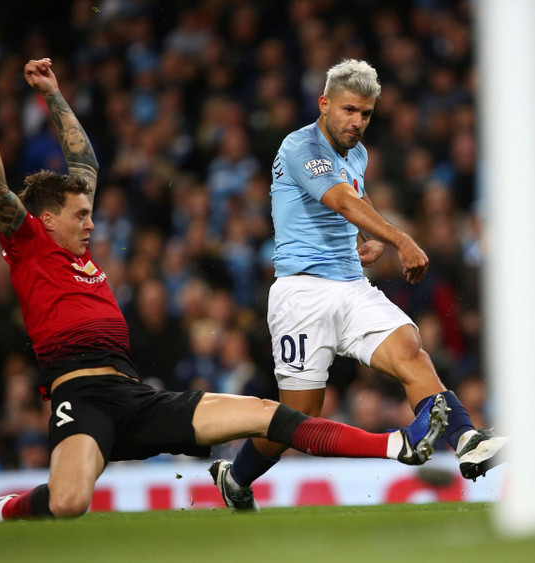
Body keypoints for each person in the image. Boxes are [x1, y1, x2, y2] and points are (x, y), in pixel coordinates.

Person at [0, 59, 449, 524]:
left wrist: (53, 95)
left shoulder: (76, 247)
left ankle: (395, 447)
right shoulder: (30, 247)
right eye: (81, 216)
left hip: (133, 394)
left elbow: (85, 162)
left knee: (270, 413)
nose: (92, 224)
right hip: (80, 396)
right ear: (45, 220)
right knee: (68, 502)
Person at [210, 59, 508, 512]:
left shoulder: (356, 152)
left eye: (366, 114)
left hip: (351, 286)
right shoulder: (299, 145)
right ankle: (236, 476)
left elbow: (356, 192)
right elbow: (342, 198)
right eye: (349, 110)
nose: (357, 122)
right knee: (299, 417)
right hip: (301, 295)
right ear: (324, 103)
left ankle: (466, 439)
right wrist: (399, 238)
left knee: (410, 347)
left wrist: (367, 239)